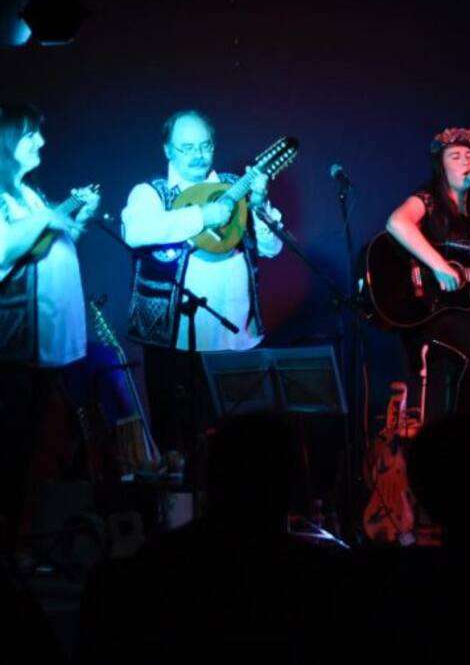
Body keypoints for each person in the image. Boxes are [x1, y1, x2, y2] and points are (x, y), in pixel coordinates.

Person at [120, 109, 283, 455]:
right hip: (174, 346)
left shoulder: (234, 186)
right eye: (187, 147)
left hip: (238, 340)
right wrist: (201, 216)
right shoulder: (151, 193)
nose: (197, 155)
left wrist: (259, 204)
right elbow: (135, 232)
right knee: (180, 448)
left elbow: (272, 248)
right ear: (167, 149)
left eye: (205, 146)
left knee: (240, 447)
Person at [0, 103, 99, 548]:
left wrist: (77, 217)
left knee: (36, 446)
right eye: (29, 135)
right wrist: (47, 216)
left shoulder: (28, 193)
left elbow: (50, 245)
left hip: (50, 348)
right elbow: (4, 250)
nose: (41, 141)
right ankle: (9, 546)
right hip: (17, 351)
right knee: (13, 448)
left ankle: (25, 538)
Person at [386, 127, 470, 429]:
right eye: (456, 156)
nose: (465, 162)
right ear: (442, 166)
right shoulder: (428, 199)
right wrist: (439, 266)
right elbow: (396, 223)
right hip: (440, 307)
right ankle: (465, 433)